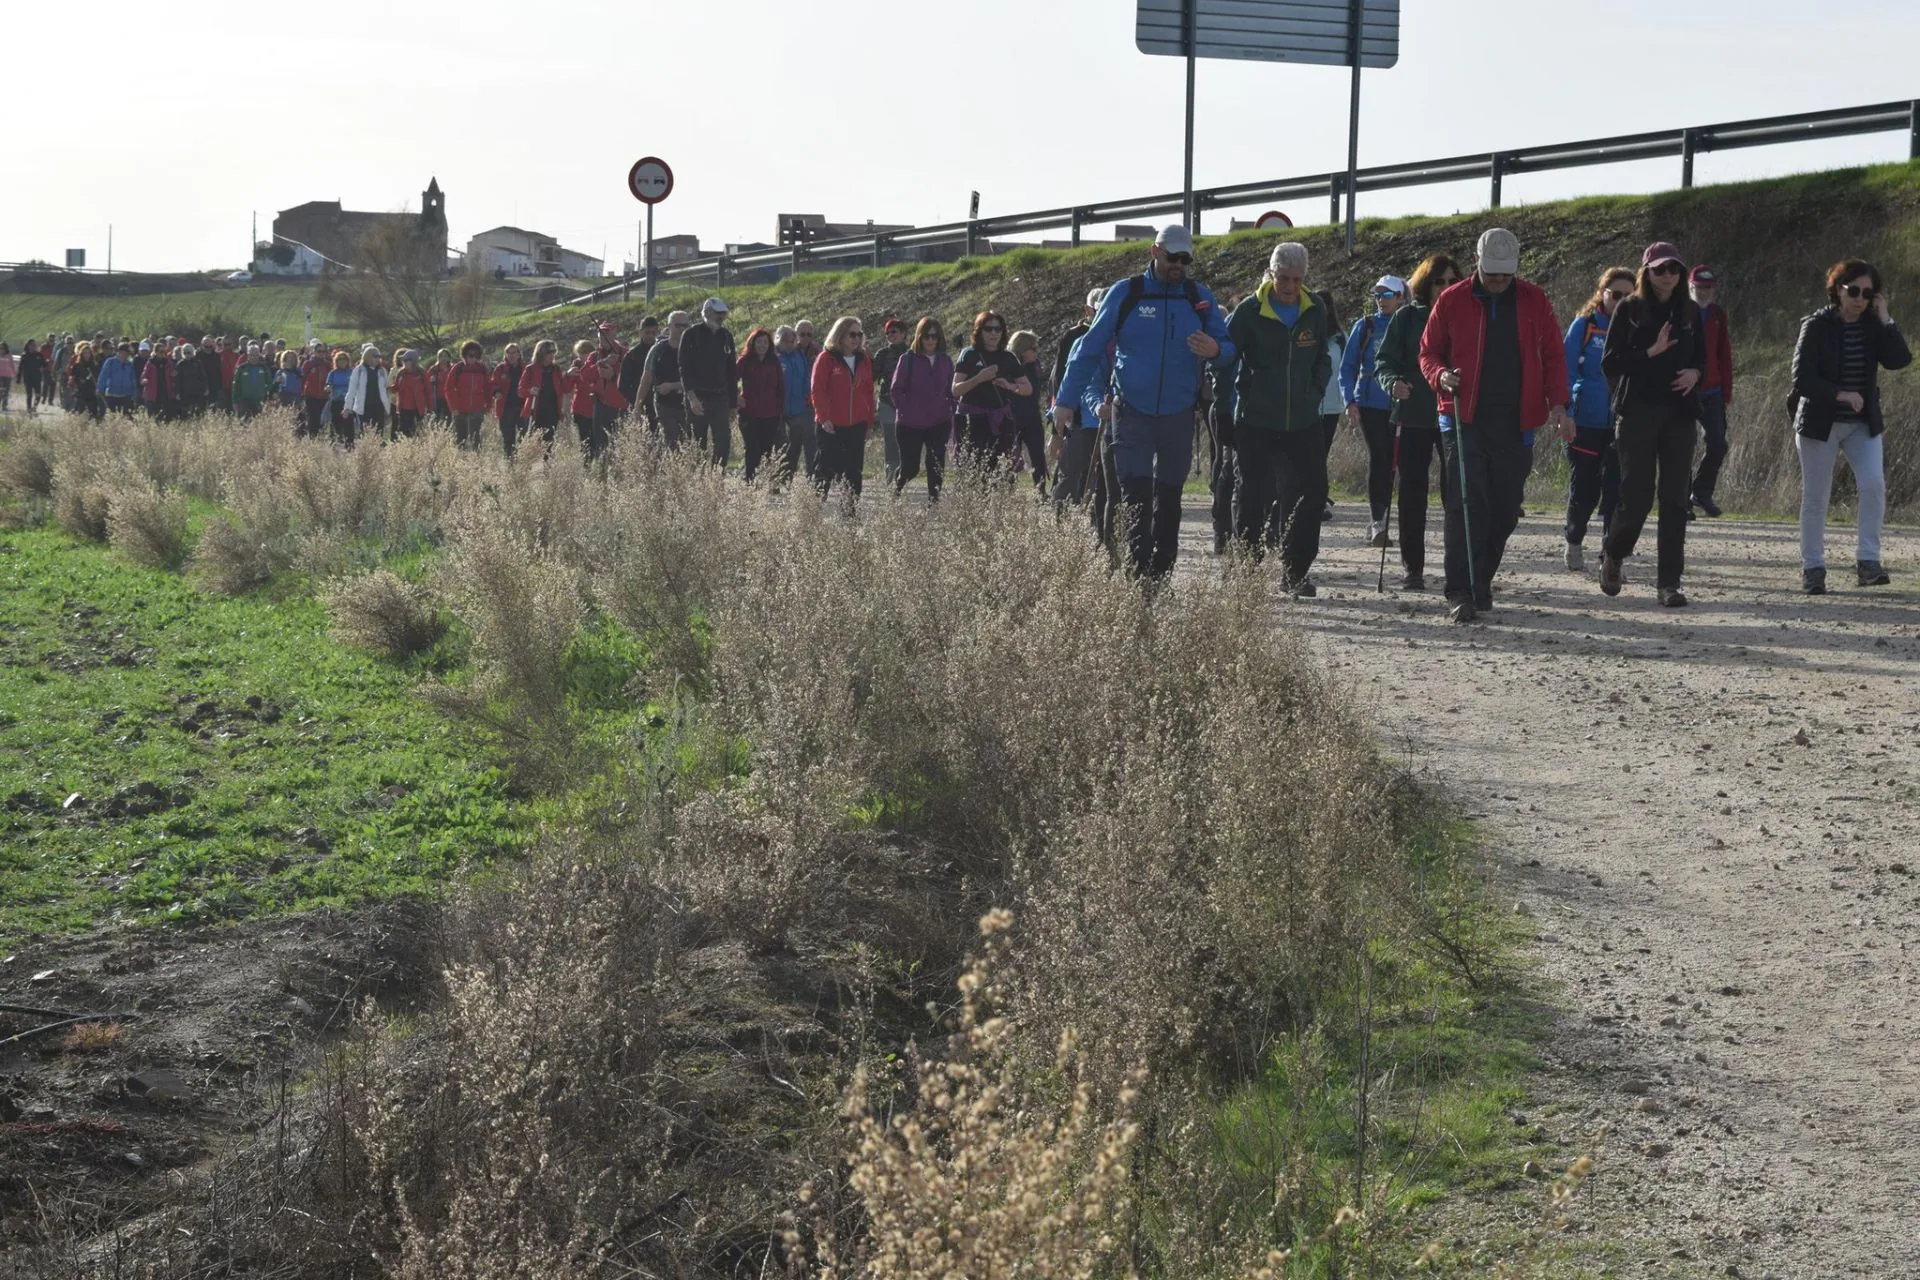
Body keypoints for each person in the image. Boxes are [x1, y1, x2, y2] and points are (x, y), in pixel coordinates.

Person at [1056, 224, 1232, 580]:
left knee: (1169, 500)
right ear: (1155, 252)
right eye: (1172, 258)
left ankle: (1160, 575)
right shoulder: (1126, 293)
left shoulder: (1199, 297)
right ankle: (1137, 576)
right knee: (1135, 496)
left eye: (1186, 259)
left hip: (1178, 416)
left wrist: (1215, 350)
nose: (1179, 266)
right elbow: (1088, 350)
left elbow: (1229, 349)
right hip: (1131, 413)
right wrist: (1066, 402)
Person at [1419, 227, 1569, 623]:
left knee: (1503, 510)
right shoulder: (1452, 300)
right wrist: (1440, 377)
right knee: (1467, 503)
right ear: (1478, 263)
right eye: (1492, 273)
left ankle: (1481, 580)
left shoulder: (1535, 300)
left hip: (1516, 421)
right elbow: (1428, 352)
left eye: (1506, 274)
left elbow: (1554, 355)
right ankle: (1460, 591)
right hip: (1461, 416)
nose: (1499, 281)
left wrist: (1559, 406)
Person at [1791, 258, 1912, 594]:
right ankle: (1813, 568)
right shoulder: (1815, 325)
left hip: (1862, 423)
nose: (1860, 298)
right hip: (1819, 422)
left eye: (1868, 292)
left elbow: (1900, 360)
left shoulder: (1874, 325)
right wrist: (1840, 394)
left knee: (1873, 484)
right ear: (1838, 290)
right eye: (1854, 290)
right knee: (1816, 497)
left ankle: (1868, 563)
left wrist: (1886, 318)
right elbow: (1801, 378)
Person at [1221, 242, 1334, 593]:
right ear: (1271, 274)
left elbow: (1322, 356)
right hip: (1256, 421)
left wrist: (1315, 389)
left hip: (1303, 420)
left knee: (1312, 494)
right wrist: (1223, 410)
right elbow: (1225, 361)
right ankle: (1249, 574)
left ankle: (1296, 572)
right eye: (1283, 278)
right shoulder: (1248, 312)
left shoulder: (1314, 308)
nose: (1289, 287)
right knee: (1253, 496)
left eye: (1297, 280)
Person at [1598, 242, 1706, 607]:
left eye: (1674, 269)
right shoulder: (1630, 309)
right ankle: (1614, 552)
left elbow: (1704, 361)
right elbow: (1610, 362)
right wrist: (1649, 353)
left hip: (1679, 414)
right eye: (1660, 269)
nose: (1668, 275)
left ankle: (1669, 583)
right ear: (1647, 272)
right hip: (1637, 413)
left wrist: (1695, 372)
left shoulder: (1691, 311)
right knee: (1637, 497)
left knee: (1675, 499)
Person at [1374, 253, 1462, 590]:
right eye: (1439, 281)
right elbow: (1384, 360)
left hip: (1455, 415)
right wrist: (1392, 383)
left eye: (1453, 281)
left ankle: (1458, 567)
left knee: (1457, 493)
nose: (1446, 287)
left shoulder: (1467, 315)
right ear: (1426, 284)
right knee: (1412, 494)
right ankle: (1414, 569)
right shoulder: (1407, 318)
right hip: (1413, 416)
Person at [1561, 267, 1633, 572]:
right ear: (1602, 293)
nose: (1621, 300)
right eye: (1616, 294)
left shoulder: (1638, 327)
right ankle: (1574, 539)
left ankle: (1609, 555)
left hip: (1623, 423)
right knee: (1585, 490)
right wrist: (1565, 410)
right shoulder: (1585, 325)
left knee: (1617, 493)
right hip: (1586, 422)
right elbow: (1565, 369)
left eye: (1629, 295)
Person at [1340, 275, 1407, 546]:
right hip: (1369, 402)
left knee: (1399, 462)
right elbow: (1347, 368)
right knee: (1380, 457)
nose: (1381, 300)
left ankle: (1393, 518)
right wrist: (1349, 401)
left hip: (1403, 403)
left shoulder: (1409, 324)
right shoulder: (1365, 326)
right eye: (1378, 294)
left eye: (1388, 294)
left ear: (1401, 297)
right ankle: (1377, 521)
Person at [1049, 288, 1107, 511]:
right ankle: (1062, 524)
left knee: (1098, 480)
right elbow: (1061, 381)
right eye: (1097, 310)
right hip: (1081, 419)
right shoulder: (1075, 338)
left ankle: (1095, 524)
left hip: (1109, 419)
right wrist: (1057, 429)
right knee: (1070, 473)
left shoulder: (1124, 338)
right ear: (1089, 310)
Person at [1688, 265, 1736, 517]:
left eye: (1708, 288)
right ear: (1690, 287)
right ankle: (1681, 500)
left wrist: (1726, 390)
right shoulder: (1680, 312)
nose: (1704, 292)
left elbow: (1723, 353)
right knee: (1682, 446)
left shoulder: (1718, 314)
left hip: (1712, 390)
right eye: (1699, 287)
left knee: (1717, 443)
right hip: (1684, 390)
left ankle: (1701, 491)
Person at [891, 315, 956, 500]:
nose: (930, 340)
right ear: (919, 337)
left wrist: (951, 408)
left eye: (934, 336)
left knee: (936, 464)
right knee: (910, 468)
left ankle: (933, 502)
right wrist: (906, 409)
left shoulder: (945, 361)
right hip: (909, 424)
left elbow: (951, 390)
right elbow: (896, 390)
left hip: (939, 422)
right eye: (926, 336)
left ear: (940, 338)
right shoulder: (907, 359)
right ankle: (897, 489)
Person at [953, 311, 1028, 469]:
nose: (993, 333)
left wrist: (1010, 386)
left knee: (1003, 472)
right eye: (988, 329)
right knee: (972, 470)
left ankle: (1000, 494)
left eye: (998, 329)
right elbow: (955, 390)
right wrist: (979, 378)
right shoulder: (969, 354)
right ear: (979, 331)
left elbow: (1027, 388)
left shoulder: (1008, 357)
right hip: (972, 420)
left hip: (1000, 420)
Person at [810, 315, 875, 498]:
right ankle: (812, 511)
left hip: (856, 425)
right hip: (831, 425)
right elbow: (817, 390)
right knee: (826, 469)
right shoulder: (826, 358)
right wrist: (824, 418)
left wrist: (869, 423)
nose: (856, 339)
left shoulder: (864, 360)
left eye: (859, 334)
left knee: (853, 472)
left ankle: (849, 517)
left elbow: (869, 392)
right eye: (851, 334)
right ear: (840, 335)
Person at [680, 297, 738, 465]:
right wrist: (691, 397)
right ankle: (700, 480)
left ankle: (716, 476)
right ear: (706, 313)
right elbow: (684, 368)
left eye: (723, 314)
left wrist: (732, 404)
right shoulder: (691, 335)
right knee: (698, 442)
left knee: (723, 440)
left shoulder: (726, 336)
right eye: (717, 313)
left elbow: (731, 372)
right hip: (698, 397)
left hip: (720, 397)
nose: (721, 317)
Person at [734, 326, 785, 481]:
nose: (762, 345)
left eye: (765, 342)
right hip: (749, 411)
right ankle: (749, 480)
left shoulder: (774, 361)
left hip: (771, 412)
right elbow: (731, 380)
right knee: (752, 447)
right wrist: (737, 397)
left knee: (767, 448)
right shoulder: (745, 360)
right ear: (752, 343)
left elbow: (780, 386)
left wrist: (780, 408)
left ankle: (764, 480)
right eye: (759, 342)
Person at [637, 313, 689, 449]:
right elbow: (646, 378)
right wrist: (638, 405)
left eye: (685, 325)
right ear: (669, 326)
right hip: (664, 404)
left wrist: (673, 386)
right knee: (671, 441)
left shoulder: (694, 348)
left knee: (688, 442)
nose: (682, 329)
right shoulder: (658, 350)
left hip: (689, 404)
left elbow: (701, 379)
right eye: (678, 325)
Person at [1317, 296, 1347, 522]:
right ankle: (1314, 499)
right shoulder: (1307, 334)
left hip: (1331, 407)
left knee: (1321, 454)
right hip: (1308, 405)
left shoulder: (1340, 339)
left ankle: (1318, 499)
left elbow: (1347, 370)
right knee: (1311, 455)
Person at [1008, 330, 1049, 489]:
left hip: (1032, 416)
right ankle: (1009, 491)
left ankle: (1041, 491)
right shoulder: (1010, 365)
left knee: (1038, 456)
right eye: (1034, 348)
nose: (1036, 352)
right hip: (1013, 417)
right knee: (1011, 458)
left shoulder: (1035, 365)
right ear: (1024, 349)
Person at [871, 315, 910, 483]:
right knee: (890, 439)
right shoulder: (882, 354)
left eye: (894, 332)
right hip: (887, 402)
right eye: (887, 333)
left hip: (907, 404)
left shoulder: (912, 353)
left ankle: (905, 472)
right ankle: (891, 474)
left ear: (903, 333)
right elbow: (873, 377)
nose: (890, 335)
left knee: (905, 438)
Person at [775, 325, 816, 483]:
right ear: (778, 340)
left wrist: (808, 397)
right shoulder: (774, 357)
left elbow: (806, 378)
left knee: (799, 443)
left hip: (799, 407)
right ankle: (779, 478)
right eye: (785, 340)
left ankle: (811, 478)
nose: (789, 344)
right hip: (778, 408)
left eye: (792, 340)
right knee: (781, 445)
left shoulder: (799, 356)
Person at [517, 339, 569, 448]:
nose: (552, 354)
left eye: (554, 351)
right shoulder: (530, 369)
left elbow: (565, 388)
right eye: (549, 352)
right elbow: (520, 391)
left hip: (552, 412)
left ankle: (547, 464)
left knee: (548, 444)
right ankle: (532, 465)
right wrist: (530, 391)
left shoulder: (556, 369)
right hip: (535, 412)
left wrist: (569, 376)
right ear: (541, 353)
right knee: (533, 444)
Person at [445, 341, 494, 450]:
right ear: (464, 355)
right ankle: (461, 462)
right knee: (460, 439)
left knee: (476, 439)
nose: (472, 358)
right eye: (470, 355)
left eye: (475, 356)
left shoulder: (482, 369)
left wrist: (489, 405)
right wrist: (453, 407)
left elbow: (488, 388)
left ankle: (476, 462)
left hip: (477, 409)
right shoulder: (458, 368)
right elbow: (449, 388)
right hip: (460, 410)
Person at [617, 316, 660, 429]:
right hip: (643, 405)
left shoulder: (663, 351)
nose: (650, 335)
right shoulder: (632, 356)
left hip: (664, 404)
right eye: (647, 332)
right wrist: (637, 402)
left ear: (657, 331)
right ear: (641, 332)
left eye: (653, 332)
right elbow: (623, 385)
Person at [343, 346, 390, 443]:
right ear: (368, 357)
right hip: (364, 407)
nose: (378, 359)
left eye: (378, 356)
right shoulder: (359, 370)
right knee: (365, 432)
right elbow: (351, 390)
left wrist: (387, 407)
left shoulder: (382, 371)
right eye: (375, 356)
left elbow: (386, 389)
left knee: (379, 432)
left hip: (379, 406)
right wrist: (347, 407)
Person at [591, 322, 627, 442]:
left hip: (621, 404)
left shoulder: (625, 353)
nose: (603, 337)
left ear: (614, 334)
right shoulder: (594, 356)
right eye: (600, 334)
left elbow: (631, 376)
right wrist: (603, 362)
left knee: (621, 442)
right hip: (601, 404)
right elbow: (585, 376)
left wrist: (614, 374)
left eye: (606, 334)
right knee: (601, 443)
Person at [494, 342, 528, 455]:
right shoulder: (501, 368)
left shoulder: (526, 368)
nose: (512, 355)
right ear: (505, 355)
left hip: (523, 407)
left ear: (519, 354)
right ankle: (510, 462)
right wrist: (496, 391)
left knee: (525, 436)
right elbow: (493, 383)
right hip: (506, 408)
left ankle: (524, 460)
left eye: (514, 352)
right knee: (508, 438)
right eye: (509, 353)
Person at [390, 350, 433, 438]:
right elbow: (396, 387)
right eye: (403, 360)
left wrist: (430, 407)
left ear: (413, 361)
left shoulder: (421, 373)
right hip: (404, 409)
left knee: (419, 433)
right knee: (404, 433)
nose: (403, 362)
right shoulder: (401, 373)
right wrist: (390, 388)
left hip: (418, 409)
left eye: (406, 360)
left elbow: (428, 391)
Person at [231, 344, 276, 421]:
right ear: (248, 354)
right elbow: (236, 386)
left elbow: (269, 383)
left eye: (255, 354)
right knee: (245, 423)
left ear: (259, 354)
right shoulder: (242, 368)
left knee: (259, 423)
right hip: (244, 401)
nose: (253, 357)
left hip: (259, 401)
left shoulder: (264, 367)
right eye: (251, 354)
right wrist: (235, 401)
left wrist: (263, 391)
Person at [96, 342, 140, 415]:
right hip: (112, 395)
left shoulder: (130, 364)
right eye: (125, 352)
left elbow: (133, 380)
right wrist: (100, 389)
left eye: (128, 353)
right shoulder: (110, 362)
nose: (126, 355)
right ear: (120, 352)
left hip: (126, 396)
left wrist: (135, 393)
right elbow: (103, 376)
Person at [299, 342, 332, 436]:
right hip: (310, 395)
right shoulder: (308, 364)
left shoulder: (328, 365)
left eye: (323, 351)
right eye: (319, 351)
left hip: (324, 396)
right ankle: (312, 438)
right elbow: (303, 379)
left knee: (322, 418)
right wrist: (301, 393)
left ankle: (320, 438)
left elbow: (331, 379)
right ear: (314, 351)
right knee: (312, 418)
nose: (321, 354)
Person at [67, 341, 102, 419]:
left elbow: (98, 378)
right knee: (80, 413)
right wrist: (74, 384)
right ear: (81, 354)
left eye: (88, 353)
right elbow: (72, 378)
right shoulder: (77, 366)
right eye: (85, 353)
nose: (86, 355)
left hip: (92, 393)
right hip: (81, 392)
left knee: (93, 414)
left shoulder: (94, 365)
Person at [326, 350, 354, 445]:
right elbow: (328, 385)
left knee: (349, 424)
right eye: (340, 359)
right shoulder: (333, 373)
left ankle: (349, 444)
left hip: (348, 402)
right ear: (336, 361)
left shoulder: (351, 372)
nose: (342, 361)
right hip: (336, 401)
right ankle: (335, 442)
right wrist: (328, 388)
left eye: (344, 359)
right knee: (335, 423)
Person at [174, 343, 209, 417]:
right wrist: (177, 392)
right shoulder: (180, 364)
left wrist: (206, 388)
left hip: (197, 391)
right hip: (185, 393)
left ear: (192, 352)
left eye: (188, 352)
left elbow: (203, 376)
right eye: (184, 352)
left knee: (198, 412)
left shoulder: (198, 363)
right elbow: (178, 380)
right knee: (186, 413)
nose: (187, 354)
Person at [18, 341, 46, 414]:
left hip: (37, 377)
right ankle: (29, 409)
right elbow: (20, 367)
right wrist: (18, 378)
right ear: (28, 346)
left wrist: (42, 367)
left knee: (38, 394)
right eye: (31, 345)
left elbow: (45, 364)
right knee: (29, 394)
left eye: (34, 345)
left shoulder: (39, 355)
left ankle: (34, 407)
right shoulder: (24, 355)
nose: (33, 347)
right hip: (27, 378)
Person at [0, 343, 14, 413]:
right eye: (0, 348)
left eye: (3, 348)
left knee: (6, 391)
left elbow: (12, 364)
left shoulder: (9, 355)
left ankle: (4, 406)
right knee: (1, 390)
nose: (1, 349)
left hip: (8, 375)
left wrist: (14, 373)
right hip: (0, 376)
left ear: (6, 349)